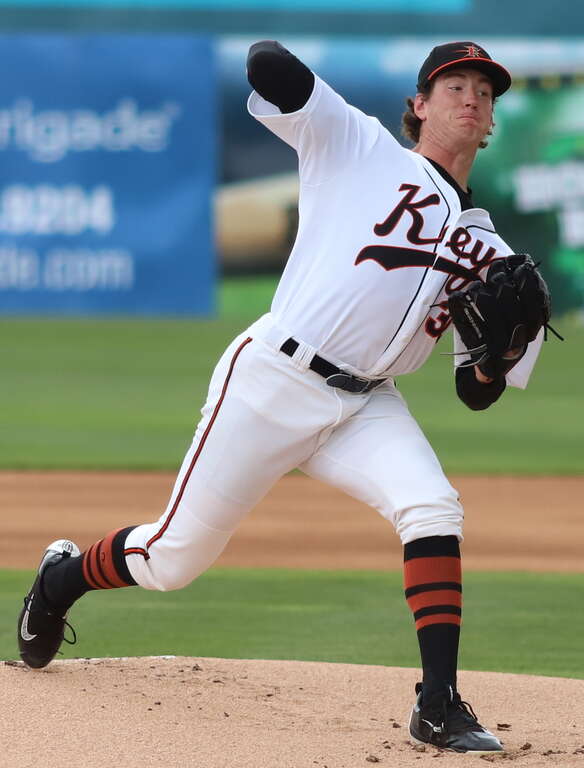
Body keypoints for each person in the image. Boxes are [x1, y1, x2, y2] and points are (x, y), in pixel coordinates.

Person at [18, 41, 545, 754]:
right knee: (174, 561)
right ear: (418, 105)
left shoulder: (496, 256)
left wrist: (501, 354)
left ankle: (437, 703)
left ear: (490, 127)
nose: (472, 99)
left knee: (432, 505)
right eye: (454, 85)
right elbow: (269, 65)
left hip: (366, 406)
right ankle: (60, 581)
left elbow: (473, 393)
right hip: (274, 380)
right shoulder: (358, 146)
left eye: (485, 93)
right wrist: (305, 87)